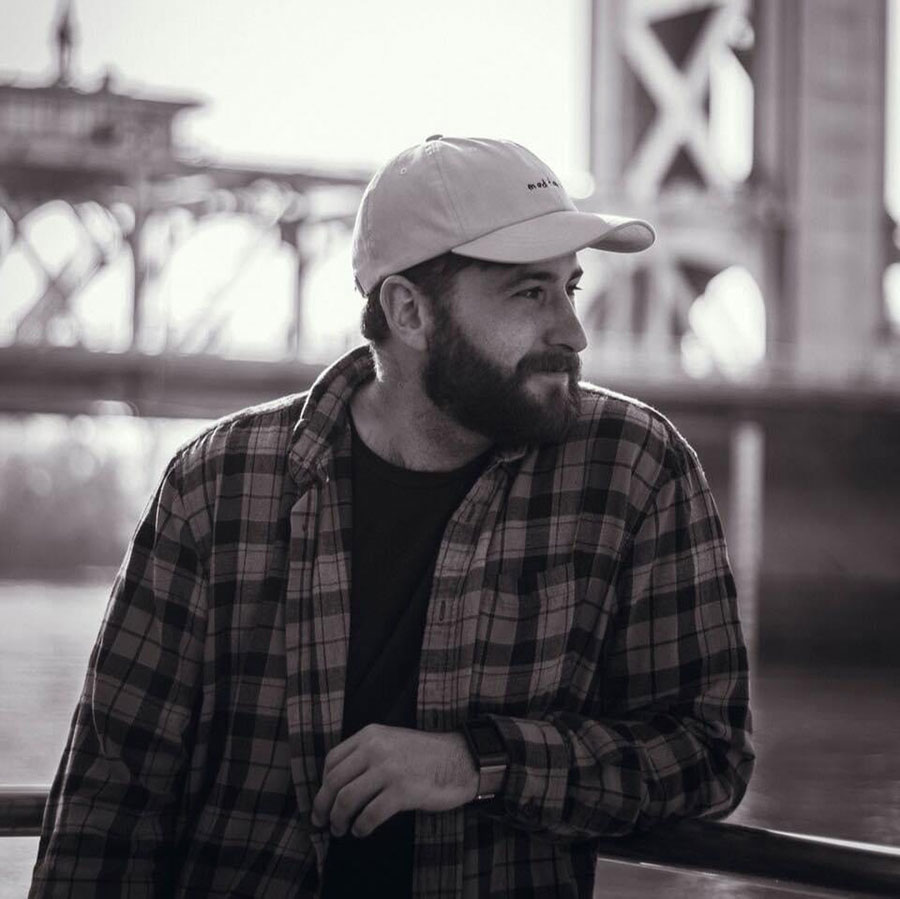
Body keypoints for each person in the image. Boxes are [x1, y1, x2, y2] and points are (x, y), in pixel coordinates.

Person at [30, 135, 754, 898]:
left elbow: (709, 754)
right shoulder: (215, 484)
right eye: (529, 293)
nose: (574, 333)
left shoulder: (637, 468)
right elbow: (110, 801)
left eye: (569, 289)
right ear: (409, 310)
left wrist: (477, 763)